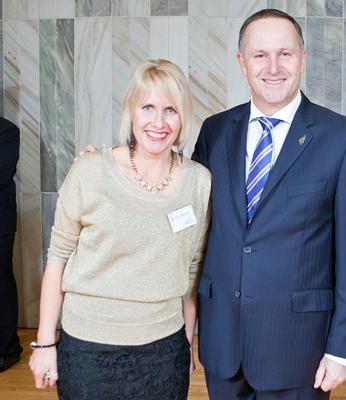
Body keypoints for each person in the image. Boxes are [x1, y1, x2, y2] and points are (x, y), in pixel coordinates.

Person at [192, 8, 346, 399]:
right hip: (222, 339)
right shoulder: (215, 130)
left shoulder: (343, 138)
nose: (273, 67)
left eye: (285, 54)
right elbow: (187, 210)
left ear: (303, 59)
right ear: (242, 63)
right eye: (260, 55)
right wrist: (119, 164)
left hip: (298, 347)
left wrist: (343, 347)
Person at [28, 59, 211, 399]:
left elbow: (193, 270)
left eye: (170, 110)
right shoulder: (90, 170)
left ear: (183, 116)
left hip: (163, 352)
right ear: (131, 112)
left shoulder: (200, 182)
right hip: (88, 350)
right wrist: (44, 343)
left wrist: (186, 344)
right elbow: (58, 258)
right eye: (148, 107)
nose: (159, 122)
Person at [0, 117, 22, 372]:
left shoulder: (7, 131)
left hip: (1, 225)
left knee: (1, 284)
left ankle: (8, 349)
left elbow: (2, 174)